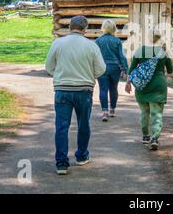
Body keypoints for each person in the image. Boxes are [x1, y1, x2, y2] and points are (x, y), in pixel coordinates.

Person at [45, 15, 106, 175]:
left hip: (62, 89)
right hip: (84, 90)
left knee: (61, 126)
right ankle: (81, 156)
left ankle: (61, 163)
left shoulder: (58, 43)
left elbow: (49, 67)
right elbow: (101, 70)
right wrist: (88, 74)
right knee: (83, 124)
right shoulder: (91, 46)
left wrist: (60, 75)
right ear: (85, 28)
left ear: (70, 26)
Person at [125, 28, 173, 151]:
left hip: (142, 85)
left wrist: (128, 82)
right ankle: (155, 138)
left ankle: (145, 136)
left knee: (144, 112)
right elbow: (170, 70)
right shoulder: (163, 52)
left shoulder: (140, 50)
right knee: (156, 113)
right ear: (159, 38)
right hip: (158, 85)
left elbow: (132, 69)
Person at [95, 19, 129, 121]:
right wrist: (126, 70)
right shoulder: (117, 41)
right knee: (113, 88)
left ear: (103, 28)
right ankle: (112, 110)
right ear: (114, 28)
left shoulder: (98, 41)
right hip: (115, 68)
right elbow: (122, 56)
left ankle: (105, 112)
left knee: (103, 89)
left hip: (102, 67)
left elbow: (95, 56)